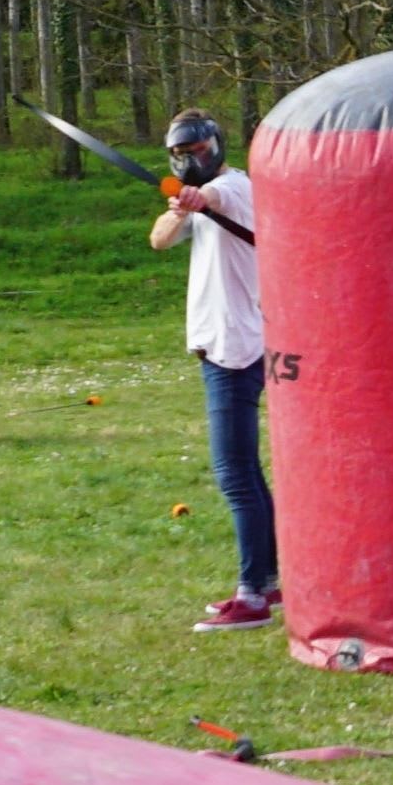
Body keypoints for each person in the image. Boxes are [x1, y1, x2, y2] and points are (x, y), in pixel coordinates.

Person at [148, 108, 278, 633]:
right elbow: (159, 239)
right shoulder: (191, 199)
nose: (192, 162)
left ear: (216, 146)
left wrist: (202, 195)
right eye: (183, 157)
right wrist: (182, 205)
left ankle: (251, 595)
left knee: (234, 475)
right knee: (246, 472)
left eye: (199, 152)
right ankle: (266, 582)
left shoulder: (238, 188)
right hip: (220, 345)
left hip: (236, 347)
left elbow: (221, 197)